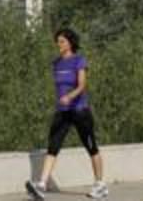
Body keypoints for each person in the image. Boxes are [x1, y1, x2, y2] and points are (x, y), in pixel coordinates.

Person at [26, 28, 107, 200]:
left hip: (80, 110)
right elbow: (59, 86)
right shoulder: (56, 63)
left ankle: (100, 185)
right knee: (52, 147)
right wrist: (61, 101)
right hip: (62, 112)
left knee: (91, 147)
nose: (58, 44)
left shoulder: (79, 60)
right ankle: (42, 185)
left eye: (62, 41)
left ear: (70, 43)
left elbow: (82, 85)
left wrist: (69, 96)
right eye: (57, 41)